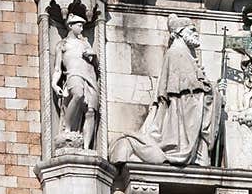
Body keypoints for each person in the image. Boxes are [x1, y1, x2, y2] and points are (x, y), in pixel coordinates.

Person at [115, 16, 221, 166]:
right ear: (180, 32)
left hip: (182, 118)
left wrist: (210, 88)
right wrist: (212, 90)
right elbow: (189, 97)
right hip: (181, 127)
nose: (196, 34)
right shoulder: (179, 53)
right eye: (192, 30)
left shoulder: (183, 54)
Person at [51, 12, 99, 150]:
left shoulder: (85, 43)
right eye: (79, 25)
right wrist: (55, 84)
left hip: (89, 77)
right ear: (71, 26)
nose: (82, 29)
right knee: (77, 94)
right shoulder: (62, 44)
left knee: (90, 112)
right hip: (73, 74)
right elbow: (58, 69)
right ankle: (68, 129)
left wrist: (93, 56)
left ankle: (86, 147)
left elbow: (96, 64)